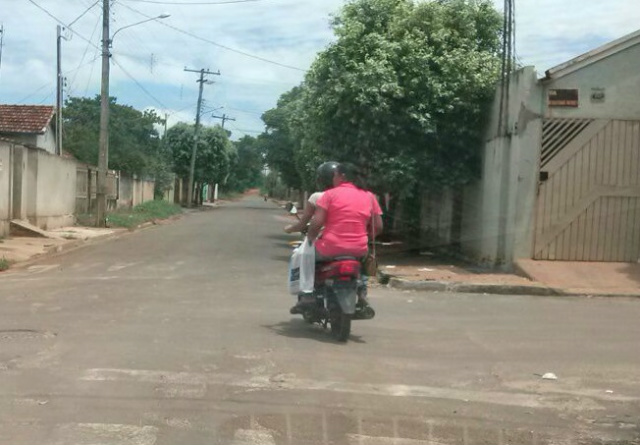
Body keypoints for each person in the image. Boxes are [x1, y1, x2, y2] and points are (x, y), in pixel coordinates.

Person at [290, 162, 383, 313]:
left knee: (304, 257)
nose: (333, 178)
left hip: (330, 247)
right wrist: (366, 237)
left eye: (335, 175)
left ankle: (307, 295)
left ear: (342, 177)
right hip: (359, 249)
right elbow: (378, 226)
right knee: (364, 262)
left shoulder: (329, 195)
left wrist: (311, 240)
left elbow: (317, 223)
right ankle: (362, 291)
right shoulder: (369, 196)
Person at [283, 161, 338, 234]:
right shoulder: (352, 197)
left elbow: (301, 225)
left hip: (328, 241)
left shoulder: (317, 197)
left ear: (321, 180)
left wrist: (289, 229)